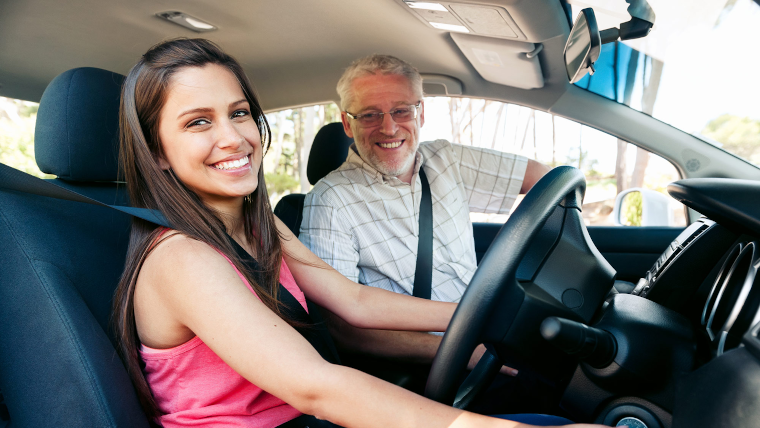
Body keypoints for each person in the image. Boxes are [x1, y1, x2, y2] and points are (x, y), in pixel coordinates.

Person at [112, 38, 602, 428]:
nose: (233, 138)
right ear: (156, 151)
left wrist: (481, 314)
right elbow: (316, 384)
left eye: (239, 113)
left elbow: (355, 301)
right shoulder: (181, 256)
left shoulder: (258, 221)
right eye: (199, 122)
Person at [298, 54, 551, 409]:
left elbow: (545, 181)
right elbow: (344, 330)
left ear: (421, 113)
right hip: (435, 371)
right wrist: (463, 351)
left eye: (401, 110)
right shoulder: (331, 201)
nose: (388, 128)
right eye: (370, 115)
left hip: (491, 331)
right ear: (346, 123)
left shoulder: (447, 160)